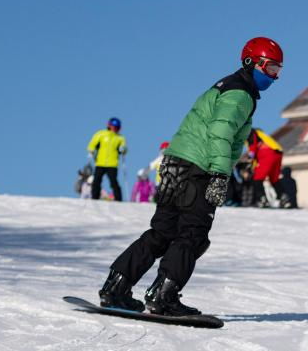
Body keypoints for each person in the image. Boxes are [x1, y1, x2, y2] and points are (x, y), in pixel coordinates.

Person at [101, 36, 282, 316]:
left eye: (278, 71)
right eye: (270, 69)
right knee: (193, 234)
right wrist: (220, 176)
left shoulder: (224, 86)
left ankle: (117, 286)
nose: (274, 77)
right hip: (198, 169)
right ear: (251, 63)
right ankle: (164, 296)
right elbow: (220, 134)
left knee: (162, 232)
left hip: (175, 163)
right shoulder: (240, 93)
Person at [87, 117, 127, 201]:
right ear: (109, 125)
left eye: (117, 127)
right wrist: (91, 150)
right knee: (97, 181)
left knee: (113, 182)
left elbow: (124, 147)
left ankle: (118, 199)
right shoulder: (101, 134)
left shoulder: (120, 138)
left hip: (112, 164)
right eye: (114, 126)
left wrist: (123, 149)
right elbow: (92, 143)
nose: (115, 129)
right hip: (100, 162)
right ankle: (95, 198)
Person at [246, 129, 283, 207]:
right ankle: (284, 199)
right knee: (274, 179)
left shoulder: (249, 132)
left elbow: (253, 147)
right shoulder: (258, 132)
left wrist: (250, 160)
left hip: (266, 153)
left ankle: (262, 200)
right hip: (277, 153)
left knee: (257, 178)